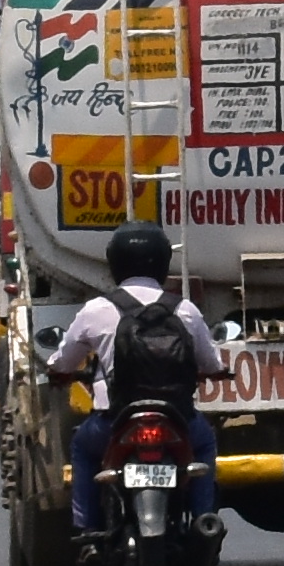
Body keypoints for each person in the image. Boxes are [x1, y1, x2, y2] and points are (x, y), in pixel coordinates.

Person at [48, 219, 229, 535]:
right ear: (163, 263)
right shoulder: (184, 310)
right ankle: (203, 520)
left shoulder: (96, 310)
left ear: (114, 263)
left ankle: (87, 531)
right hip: (178, 421)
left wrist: (59, 374)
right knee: (204, 443)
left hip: (114, 421)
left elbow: (62, 362)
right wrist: (216, 373)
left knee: (82, 447)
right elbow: (211, 362)